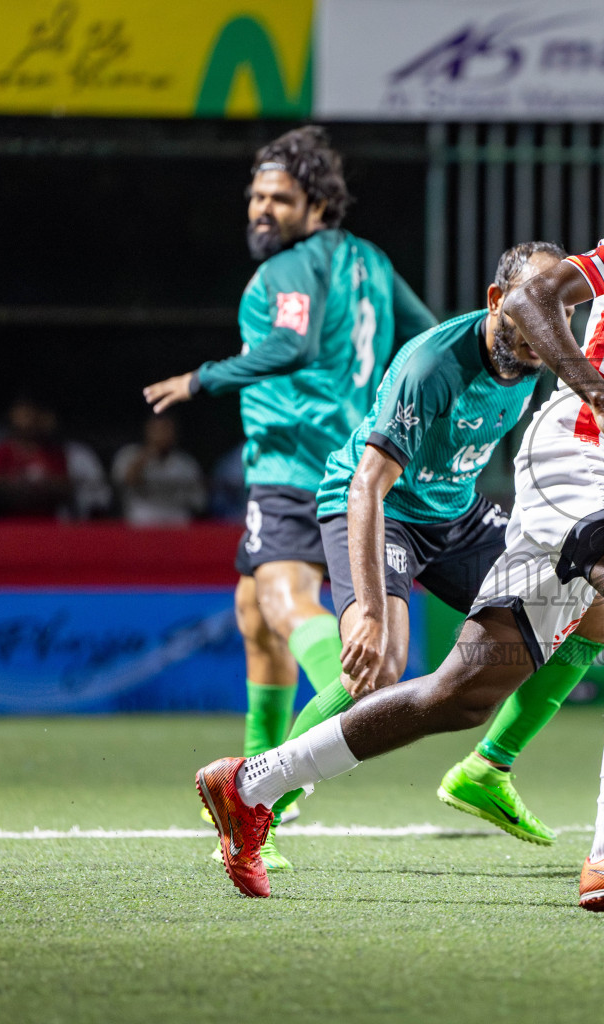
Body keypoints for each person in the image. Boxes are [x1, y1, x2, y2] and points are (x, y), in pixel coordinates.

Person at [197, 107, 604, 907]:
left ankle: (251, 785)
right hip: (574, 455)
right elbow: (536, 300)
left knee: (463, 693)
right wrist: (602, 395)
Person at [250, 241, 604, 865]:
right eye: (528, 312)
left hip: (455, 514)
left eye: (555, 314)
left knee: (597, 604)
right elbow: (368, 483)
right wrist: (368, 609)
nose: (540, 331)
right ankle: (257, 803)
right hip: (378, 510)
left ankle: (487, 771)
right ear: (495, 301)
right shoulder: (434, 366)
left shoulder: (542, 361)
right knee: (375, 668)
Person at [144, 126, 436, 827]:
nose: (261, 210)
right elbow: (427, 338)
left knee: (282, 600)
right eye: (256, 197)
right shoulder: (370, 259)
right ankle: (256, 791)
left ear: (318, 206)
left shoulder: (288, 268)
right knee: (254, 616)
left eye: (279, 198)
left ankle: (326, 708)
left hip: (292, 462)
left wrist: (202, 378)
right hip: (351, 463)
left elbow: (291, 343)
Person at [0, 396, 70, 518]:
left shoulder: (53, 453)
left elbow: (65, 489)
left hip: (47, 524)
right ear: (12, 417)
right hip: (8, 524)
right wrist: (18, 485)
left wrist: (42, 486)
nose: (27, 422)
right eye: (22, 415)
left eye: (30, 415)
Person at [111, 416, 206, 526]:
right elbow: (126, 482)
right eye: (157, 430)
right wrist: (144, 458)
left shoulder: (186, 463)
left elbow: (199, 502)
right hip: (141, 521)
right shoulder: (129, 454)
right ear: (147, 431)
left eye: (166, 429)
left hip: (177, 522)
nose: (162, 434)